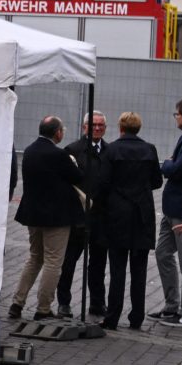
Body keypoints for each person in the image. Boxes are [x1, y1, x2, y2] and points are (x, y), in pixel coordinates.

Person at [8, 117, 83, 321]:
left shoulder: (30, 150)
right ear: (57, 132)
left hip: (33, 215)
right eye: (62, 130)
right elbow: (77, 178)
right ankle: (43, 308)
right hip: (56, 217)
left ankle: (17, 302)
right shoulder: (59, 155)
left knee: (34, 258)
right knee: (53, 261)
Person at [101, 112, 163, 330]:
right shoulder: (150, 149)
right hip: (143, 214)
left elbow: (104, 182)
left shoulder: (111, 150)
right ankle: (136, 317)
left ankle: (112, 317)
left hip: (118, 213)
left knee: (117, 268)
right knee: (140, 269)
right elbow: (157, 181)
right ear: (139, 128)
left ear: (120, 127)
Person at [57, 112, 111, 318]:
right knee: (69, 261)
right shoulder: (73, 150)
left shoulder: (109, 150)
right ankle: (64, 302)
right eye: (93, 125)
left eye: (101, 126)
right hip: (78, 216)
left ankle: (97, 303)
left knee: (98, 263)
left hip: (101, 216)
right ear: (84, 127)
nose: (97, 129)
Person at [156, 98, 182, 325]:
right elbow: (176, 167)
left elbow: (176, 168)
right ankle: (171, 306)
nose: (175, 116)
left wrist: (169, 166)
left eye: (178, 113)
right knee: (162, 253)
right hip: (171, 208)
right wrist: (172, 166)